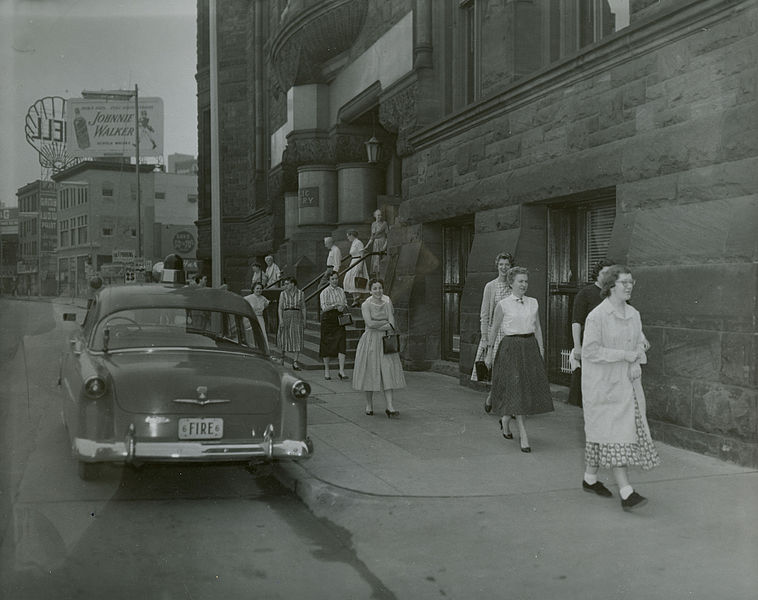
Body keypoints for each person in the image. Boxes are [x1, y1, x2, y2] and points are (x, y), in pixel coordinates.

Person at [581, 265, 659, 511]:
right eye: (623, 282)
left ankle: (590, 479)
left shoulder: (633, 314)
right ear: (610, 286)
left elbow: (640, 342)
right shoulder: (597, 316)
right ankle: (626, 492)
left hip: (627, 383)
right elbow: (590, 351)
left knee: (604, 435)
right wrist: (627, 355)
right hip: (603, 384)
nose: (629, 286)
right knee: (614, 436)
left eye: (631, 282)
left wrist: (637, 355)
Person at [485, 267, 553, 452]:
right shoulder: (503, 304)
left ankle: (505, 420)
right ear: (511, 283)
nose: (524, 285)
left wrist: (541, 349)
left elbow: (537, 327)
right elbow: (494, 328)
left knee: (524, 389)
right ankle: (524, 435)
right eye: (520, 281)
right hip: (510, 349)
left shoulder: (533, 303)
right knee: (517, 389)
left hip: (529, 347)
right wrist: (489, 352)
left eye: (526, 281)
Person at [352, 279, 405, 417]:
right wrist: (384, 322)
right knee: (370, 371)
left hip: (385, 341)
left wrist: (380, 324)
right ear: (370, 290)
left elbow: (392, 324)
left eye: (380, 288)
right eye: (375, 288)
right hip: (370, 341)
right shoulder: (365, 305)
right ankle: (369, 405)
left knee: (387, 371)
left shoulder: (387, 303)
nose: (378, 291)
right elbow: (369, 324)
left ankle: (390, 406)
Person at [569, 258, 614, 407]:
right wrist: (577, 347)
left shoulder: (615, 293)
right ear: (597, 274)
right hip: (592, 347)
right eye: (605, 273)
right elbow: (576, 321)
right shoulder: (586, 293)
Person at [472, 253, 513, 414]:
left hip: (510, 332)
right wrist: (485, 336)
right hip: (495, 334)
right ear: (497, 266)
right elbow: (484, 314)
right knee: (497, 371)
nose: (504, 267)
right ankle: (492, 397)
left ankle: (506, 405)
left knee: (510, 370)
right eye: (501, 264)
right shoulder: (490, 286)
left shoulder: (513, 285)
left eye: (507, 264)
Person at [319, 271, 350, 380]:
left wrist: (343, 307)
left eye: (336, 278)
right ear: (328, 280)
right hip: (328, 319)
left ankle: (341, 370)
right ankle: (327, 371)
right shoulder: (324, 292)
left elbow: (345, 303)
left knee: (342, 343)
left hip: (339, 319)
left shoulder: (341, 291)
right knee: (326, 344)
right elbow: (324, 308)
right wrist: (335, 305)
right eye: (332, 279)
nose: (335, 281)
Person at [277, 276, 306, 370]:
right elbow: (280, 307)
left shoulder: (301, 293)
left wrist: (304, 319)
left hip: (297, 315)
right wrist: (281, 319)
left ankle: (295, 362)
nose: (285, 285)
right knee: (284, 337)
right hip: (286, 314)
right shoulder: (283, 294)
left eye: (287, 283)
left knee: (297, 337)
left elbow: (303, 307)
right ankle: (282, 358)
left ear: (292, 284)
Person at [343, 230, 369, 307]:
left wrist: (360, 266)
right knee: (349, 280)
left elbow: (362, 255)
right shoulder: (353, 243)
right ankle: (356, 298)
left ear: (352, 235)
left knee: (356, 280)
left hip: (358, 262)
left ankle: (357, 299)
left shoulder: (358, 243)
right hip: (353, 262)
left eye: (348, 236)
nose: (348, 238)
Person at [244, 282, 270, 353]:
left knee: (262, 334)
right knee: (251, 334)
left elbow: (266, 305)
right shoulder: (248, 298)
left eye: (260, 289)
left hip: (260, 319)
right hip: (251, 319)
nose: (259, 290)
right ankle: (251, 350)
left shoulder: (263, 299)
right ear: (253, 289)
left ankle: (264, 351)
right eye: (257, 288)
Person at [365, 209, 389, 277]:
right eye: (378, 215)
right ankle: (377, 277)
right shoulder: (373, 224)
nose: (379, 217)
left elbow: (388, 236)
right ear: (375, 216)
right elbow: (372, 237)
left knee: (382, 259)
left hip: (383, 241)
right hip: (376, 244)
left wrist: (385, 245)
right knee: (376, 261)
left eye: (380, 215)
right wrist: (366, 246)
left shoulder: (384, 223)